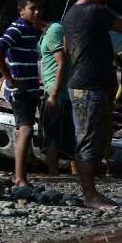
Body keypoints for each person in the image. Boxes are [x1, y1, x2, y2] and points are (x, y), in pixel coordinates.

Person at [62, 0, 122, 209]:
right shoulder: (97, 11)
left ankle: (90, 192)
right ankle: (90, 195)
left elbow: (67, 47)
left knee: (89, 138)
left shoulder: (69, 15)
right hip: (92, 85)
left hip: (79, 83)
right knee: (89, 140)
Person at [0, 0, 45, 190]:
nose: (37, 12)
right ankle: (21, 179)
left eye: (39, 8)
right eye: (32, 9)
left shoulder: (31, 29)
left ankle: (19, 176)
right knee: (26, 130)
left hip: (30, 89)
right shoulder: (17, 28)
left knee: (23, 130)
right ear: (21, 11)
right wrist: (9, 78)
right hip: (20, 90)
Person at [39, 19, 76, 175]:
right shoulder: (48, 33)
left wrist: (53, 95)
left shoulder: (54, 30)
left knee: (50, 134)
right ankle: (77, 177)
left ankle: (53, 174)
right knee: (67, 137)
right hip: (60, 90)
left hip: (56, 91)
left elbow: (61, 62)